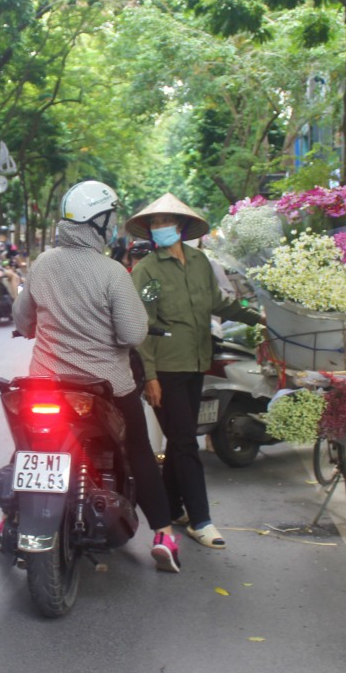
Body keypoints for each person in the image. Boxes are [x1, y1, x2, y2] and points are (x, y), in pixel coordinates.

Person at [13, 180, 181, 573]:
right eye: (111, 218)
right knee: (138, 451)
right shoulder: (112, 273)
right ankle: (163, 534)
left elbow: (24, 321)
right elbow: (132, 334)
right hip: (104, 387)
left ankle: (14, 516)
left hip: (46, 383)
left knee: (29, 444)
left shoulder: (42, 264)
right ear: (99, 223)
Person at [127, 193, 263, 550]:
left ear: (182, 226)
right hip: (166, 368)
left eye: (165, 222)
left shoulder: (200, 262)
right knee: (187, 441)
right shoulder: (148, 270)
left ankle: (172, 508)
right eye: (154, 223)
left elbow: (220, 303)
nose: (160, 229)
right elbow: (143, 324)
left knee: (179, 439)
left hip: (196, 360)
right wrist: (151, 376)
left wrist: (260, 318)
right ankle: (201, 520)